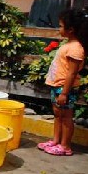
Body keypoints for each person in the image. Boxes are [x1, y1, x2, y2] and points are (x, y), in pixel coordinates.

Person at [37, 8, 88, 156]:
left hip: (65, 89)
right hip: (57, 86)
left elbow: (72, 73)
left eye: (60, 26)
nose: (59, 28)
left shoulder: (76, 48)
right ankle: (56, 141)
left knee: (66, 117)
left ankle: (65, 146)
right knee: (58, 115)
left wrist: (65, 93)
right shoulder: (68, 44)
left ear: (70, 29)